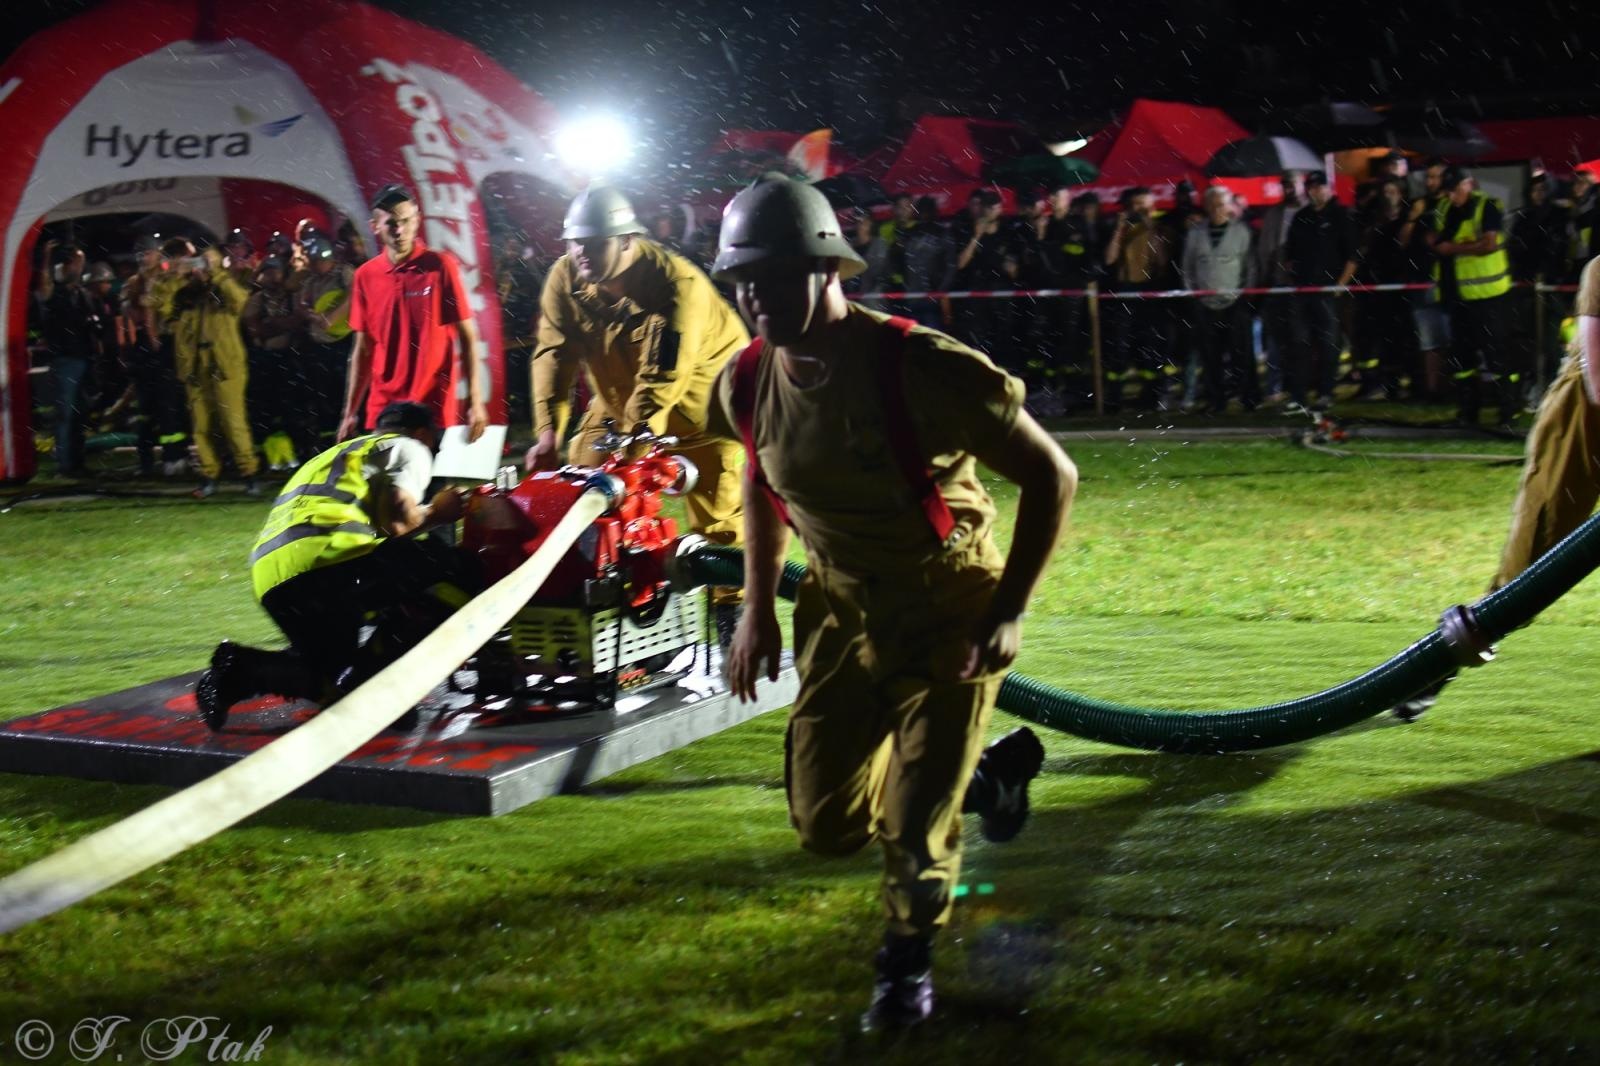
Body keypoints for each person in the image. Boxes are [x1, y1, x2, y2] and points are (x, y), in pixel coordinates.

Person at [708, 175, 1077, 1033]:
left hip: (947, 605)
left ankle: (905, 961)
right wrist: (758, 606)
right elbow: (761, 488)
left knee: (913, 830)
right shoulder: (748, 379)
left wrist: (1009, 610)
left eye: (773, 273)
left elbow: (1053, 476)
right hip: (836, 610)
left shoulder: (923, 368)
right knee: (825, 822)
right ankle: (985, 782)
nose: (754, 295)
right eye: (742, 278)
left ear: (829, 268)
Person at [526, 185, 749, 643]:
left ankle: (733, 618)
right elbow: (553, 355)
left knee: (721, 521)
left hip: (707, 413)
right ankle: (593, 609)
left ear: (628, 240)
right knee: (577, 497)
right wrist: (548, 433)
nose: (580, 253)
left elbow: (664, 374)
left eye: (593, 243)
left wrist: (637, 444)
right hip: (617, 409)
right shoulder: (565, 278)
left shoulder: (676, 285)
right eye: (574, 243)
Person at [1393, 254, 1600, 721]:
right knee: (1528, 575)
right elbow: (1598, 381)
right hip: (1580, 424)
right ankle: (1431, 667)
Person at [195, 401, 475, 731]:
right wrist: (440, 512)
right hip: (331, 561)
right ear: (424, 433)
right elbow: (399, 521)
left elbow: (375, 521)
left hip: (274, 575)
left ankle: (240, 670)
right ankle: (374, 678)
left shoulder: (336, 455)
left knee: (333, 685)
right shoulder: (410, 447)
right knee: (455, 568)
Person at [338, 184, 488, 444]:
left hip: (433, 405)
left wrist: (476, 401)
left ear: (417, 220)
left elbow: (468, 337)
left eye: (406, 221)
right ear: (375, 226)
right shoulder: (365, 276)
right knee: (387, 483)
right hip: (384, 407)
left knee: (433, 484)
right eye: (391, 223)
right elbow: (362, 350)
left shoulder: (439, 266)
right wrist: (349, 413)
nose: (400, 230)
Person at [152, 238, 261, 498]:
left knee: (232, 423)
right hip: (194, 367)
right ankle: (209, 476)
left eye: (201, 262)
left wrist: (217, 274)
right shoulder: (183, 295)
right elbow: (160, 304)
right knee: (200, 426)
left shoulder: (225, 290)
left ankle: (250, 474)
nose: (198, 268)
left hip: (225, 366)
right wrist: (177, 276)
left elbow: (241, 300)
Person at [1429, 165, 1517, 428]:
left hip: (1489, 295)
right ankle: (1468, 411)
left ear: (1469, 184)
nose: (1452, 197)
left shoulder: (1487, 207)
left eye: (1455, 190)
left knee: (1496, 356)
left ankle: (1507, 411)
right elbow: (1435, 238)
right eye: (1448, 191)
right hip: (1457, 297)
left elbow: (1489, 244)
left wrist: (1452, 248)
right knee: (1462, 358)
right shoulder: (1444, 208)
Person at [1283, 170, 1357, 407]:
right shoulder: (1301, 216)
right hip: (1302, 290)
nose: (1316, 191)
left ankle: (1326, 392)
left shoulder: (1342, 215)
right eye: (1312, 187)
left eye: (1320, 187)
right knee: (1300, 343)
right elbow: (1289, 255)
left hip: (1328, 291)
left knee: (1328, 344)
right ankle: (1299, 395)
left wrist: (1340, 285)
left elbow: (1353, 256)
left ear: (1329, 188)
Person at [1181, 186, 1258, 413]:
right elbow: (1188, 267)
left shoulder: (1241, 232)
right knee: (1210, 356)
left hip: (1235, 302)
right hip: (1204, 304)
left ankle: (1248, 398)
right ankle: (1216, 400)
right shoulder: (1195, 234)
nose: (1217, 209)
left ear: (1229, 205)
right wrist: (1193, 294)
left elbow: (1250, 266)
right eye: (1213, 205)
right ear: (1205, 207)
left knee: (1242, 354)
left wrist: (1245, 294)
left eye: (1221, 204)